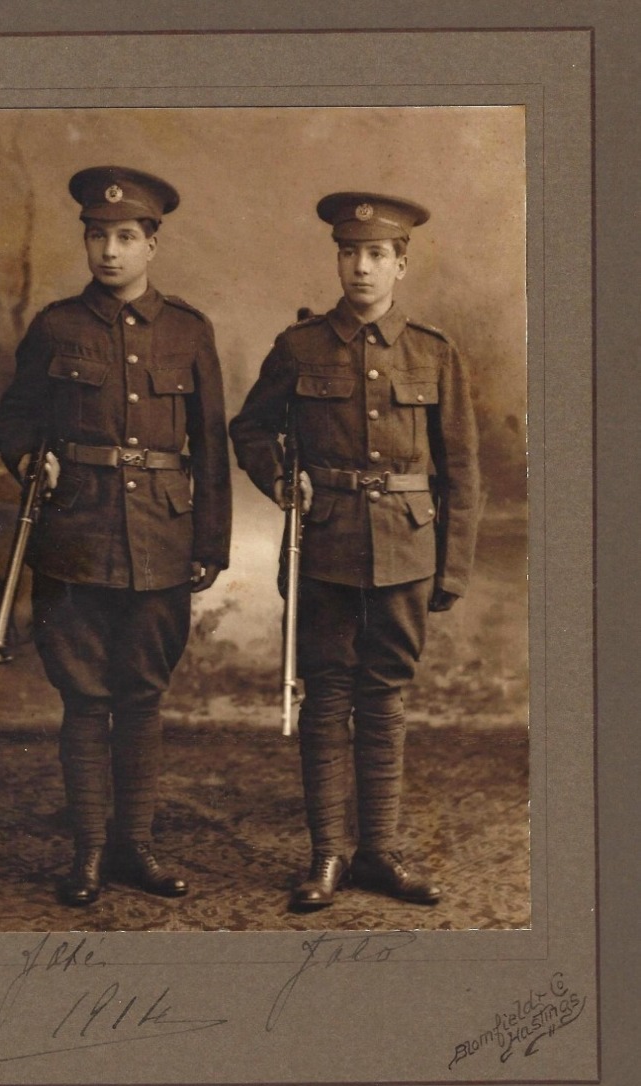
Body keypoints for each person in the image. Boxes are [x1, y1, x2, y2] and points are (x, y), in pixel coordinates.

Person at [230, 191, 479, 911]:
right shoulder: (298, 348)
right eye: (349, 252)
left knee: (384, 701)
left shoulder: (433, 351)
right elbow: (248, 429)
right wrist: (282, 479)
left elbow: (460, 469)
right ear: (336, 258)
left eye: (375, 255)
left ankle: (379, 853)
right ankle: (327, 857)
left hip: (407, 549)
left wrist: (451, 567)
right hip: (324, 548)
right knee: (326, 696)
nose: (360, 267)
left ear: (401, 264)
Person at [0, 165, 231, 906]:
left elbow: (210, 447)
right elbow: (13, 417)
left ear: (152, 243)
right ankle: (88, 855)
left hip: (162, 538)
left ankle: (136, 849)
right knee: (83, 699)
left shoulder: (189, 331)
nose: (110, 251)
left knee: (142, 698)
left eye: (126, 236)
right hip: (74, 537)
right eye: (98, 236)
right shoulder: (56, 326)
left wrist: (209, 545)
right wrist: (32, 455)